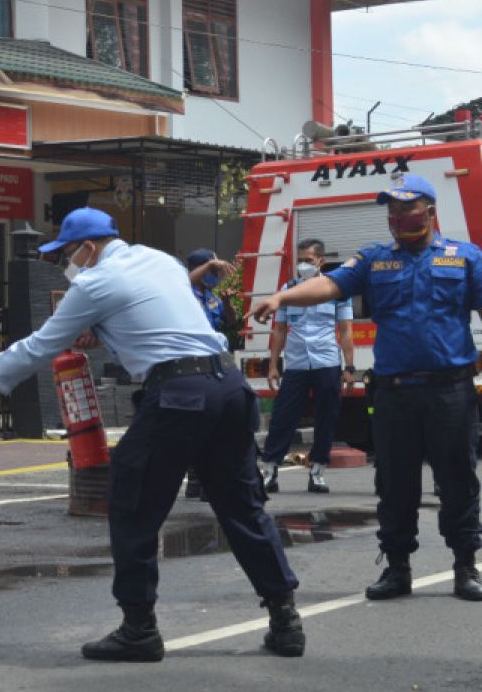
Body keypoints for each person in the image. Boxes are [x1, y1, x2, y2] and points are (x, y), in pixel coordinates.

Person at [0, 207, 304, 661]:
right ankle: (285, 619)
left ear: (88, 248)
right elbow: (153, 314)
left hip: (179, 395)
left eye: (66, 256)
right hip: (228, 390)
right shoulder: (160, 261)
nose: (66, 266)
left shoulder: (94, 282)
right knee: (242, 507)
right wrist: (105, 331)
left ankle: (139, 628)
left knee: (132, 501)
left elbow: (42, 345)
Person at [250, 174, 482, 602]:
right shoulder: (375, 260)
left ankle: (465, 565)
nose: (396, 217)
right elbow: (332, 283)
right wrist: (283, 298)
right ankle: (397, 568)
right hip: (394, 394)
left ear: (429, 212)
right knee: (394, 481)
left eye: (405, 208)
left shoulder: (463, 258)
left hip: (450, 391)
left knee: (458, 479)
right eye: (391, 210)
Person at [260, 239, 355, 494]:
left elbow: (345, 330)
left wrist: (350, 366)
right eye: (300, 259)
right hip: (297, 363)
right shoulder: (287, 290)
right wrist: (273, 365)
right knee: (283, 417)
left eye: (308, 260)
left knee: (327, 417)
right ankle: (270, 470)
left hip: (327, 362)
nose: (303, 265)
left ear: (321, 261)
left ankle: (318, 472)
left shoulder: (337, 290)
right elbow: (279, 329)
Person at [182, 248, 236, 499]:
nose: (216, 276)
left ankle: (203, 480)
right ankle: (196, 479)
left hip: (215, 366)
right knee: (195, 424)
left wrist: (226, 302)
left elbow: (230, 322)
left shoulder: (213, 298)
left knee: (214, 423)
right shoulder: (183, 291)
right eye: (212, 271)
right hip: (191, 366)